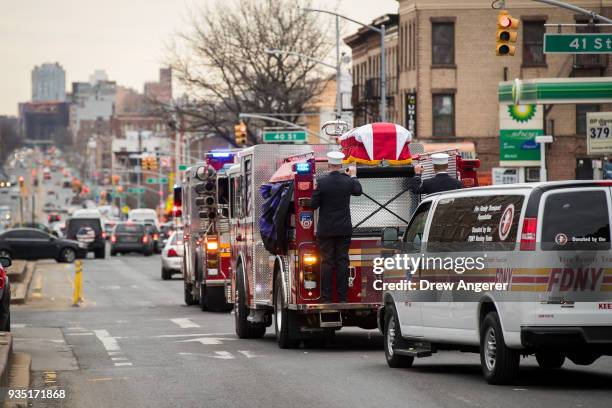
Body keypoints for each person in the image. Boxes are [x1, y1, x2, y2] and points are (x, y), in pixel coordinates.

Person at [310, 151, 362, 303]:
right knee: (342, 262)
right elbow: (358, 191)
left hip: (326, 229)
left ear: (329, 164)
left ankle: (326, 298)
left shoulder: (322, 182)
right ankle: (343, 298)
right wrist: (353, 175)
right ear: (341, 165)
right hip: (344, 228)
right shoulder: (348, 181)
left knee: (327, 262)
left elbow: (313, 204)